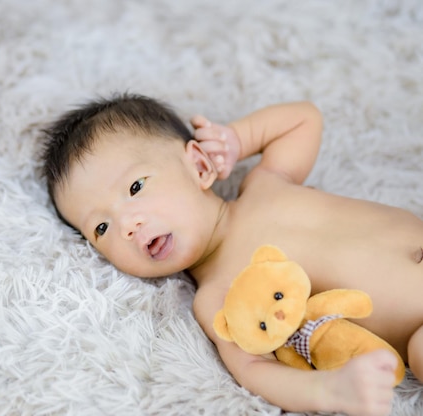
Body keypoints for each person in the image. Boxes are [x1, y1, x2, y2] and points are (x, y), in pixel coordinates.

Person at [41, 93, 423, 416]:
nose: (127, 224)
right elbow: (255, 370)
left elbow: (303, 120)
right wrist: (329, 390)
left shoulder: (265, 183)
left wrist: (236, 139)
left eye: (136, 186)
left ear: (199, 164)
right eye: (101, 228)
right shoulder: (219, 297)